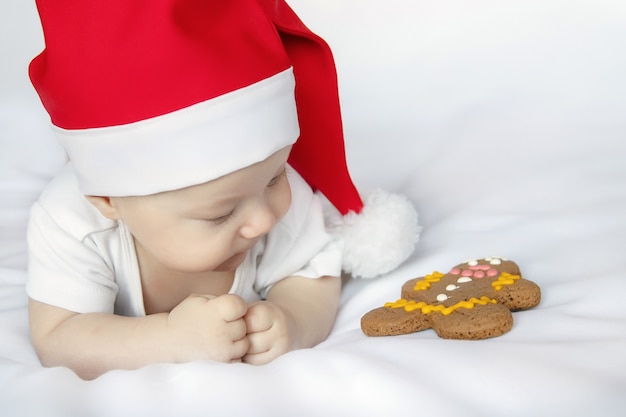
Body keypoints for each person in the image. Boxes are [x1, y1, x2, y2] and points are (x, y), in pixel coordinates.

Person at [26, 0, 419, 380]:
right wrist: (168, 341)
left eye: (275, 177)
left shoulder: (266, 197)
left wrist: (293, 320)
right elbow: (59, 337)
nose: (264, 219)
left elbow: (313, 272)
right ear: (109, 199)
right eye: (220, 213)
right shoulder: (72, 223)